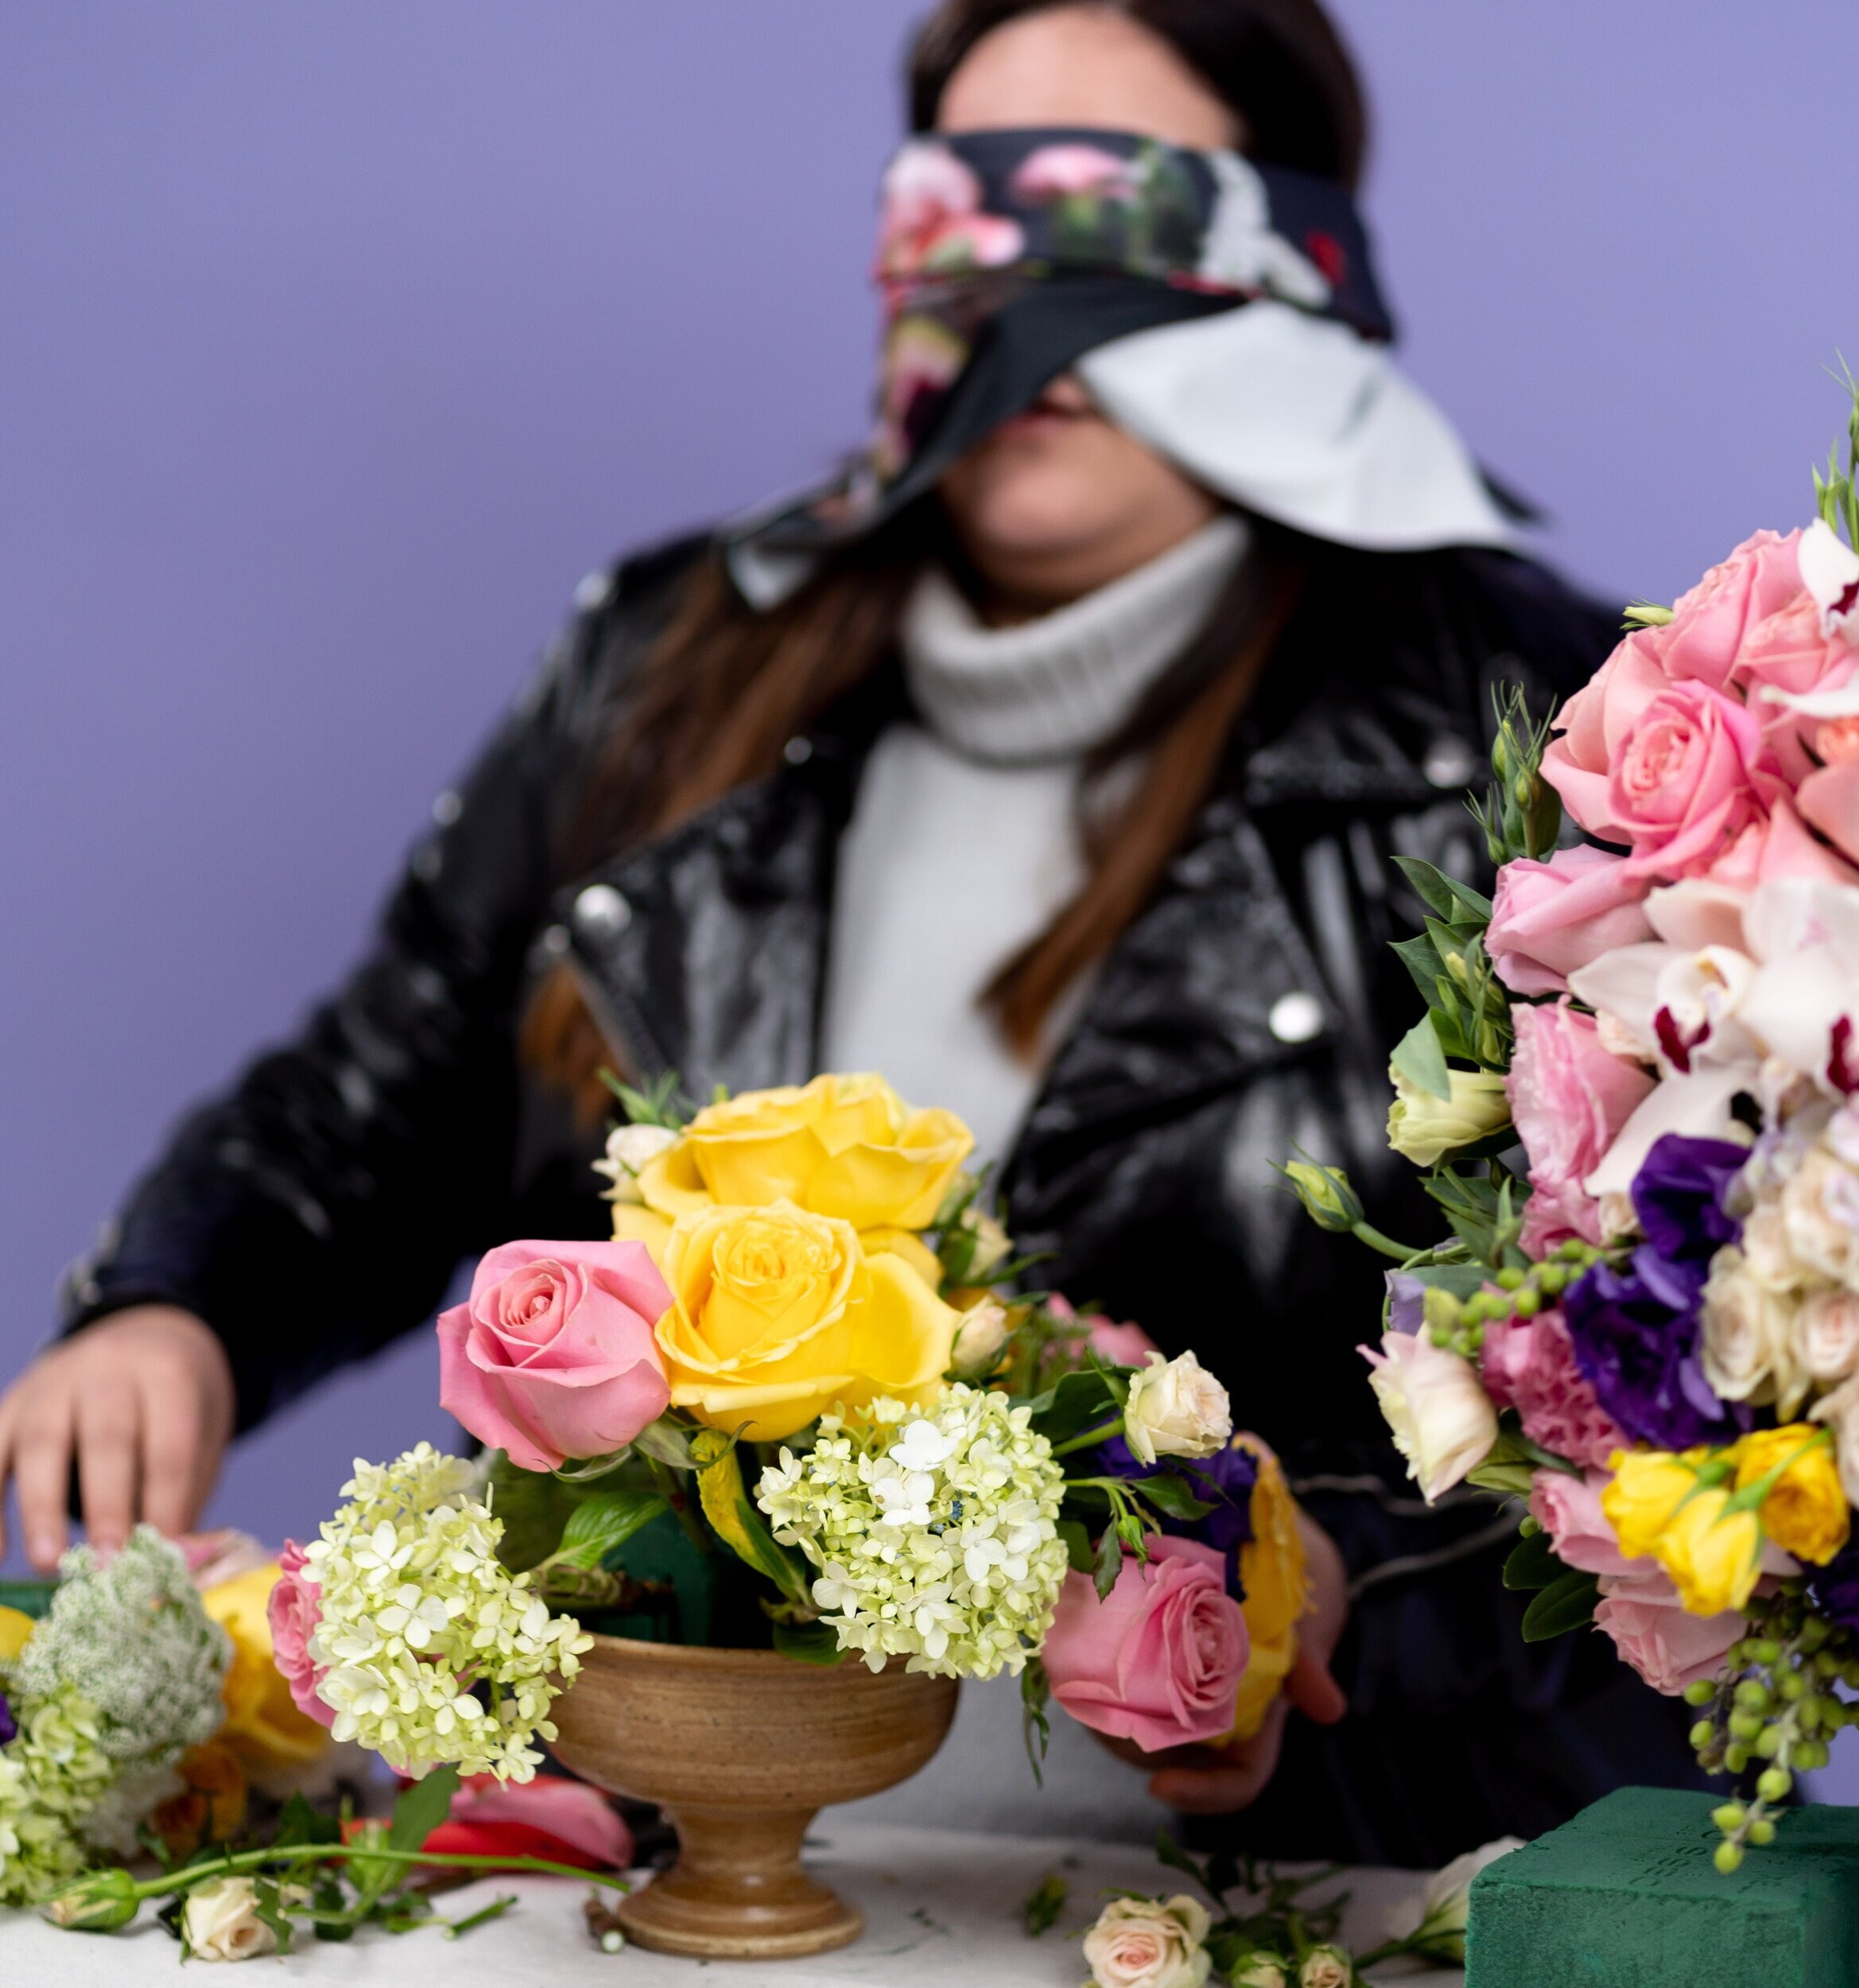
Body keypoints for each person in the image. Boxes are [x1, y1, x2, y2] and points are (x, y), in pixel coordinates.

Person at [0, 0, 1702, 1862]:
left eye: (1105, 232)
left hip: (1283, 1888)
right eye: (955, 231)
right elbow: (386, 1089)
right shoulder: (670, 660)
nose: (1017, 308)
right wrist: (172, 1302)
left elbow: (1662, 1386)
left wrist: (1338, 1592)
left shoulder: (1537, 733)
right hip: (700, 1885)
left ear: (1298, 273)